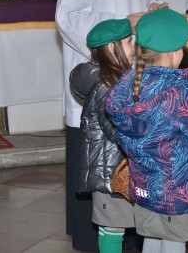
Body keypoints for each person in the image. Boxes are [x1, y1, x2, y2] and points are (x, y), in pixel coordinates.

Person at [56, 0, 167, 251]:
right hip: (100, 76)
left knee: (132, 159)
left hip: (137, 75)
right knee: (97, 160)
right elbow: (67, 17)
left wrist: (155, 12)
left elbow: (158, 1)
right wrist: (120, 24)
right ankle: (91, 240)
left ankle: (132, 235)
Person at [106, 8, 188, 253]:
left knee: (152, 240)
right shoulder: (179, 93)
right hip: (175, 188)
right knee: (173, 243)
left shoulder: (126, 85)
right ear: (173, 53)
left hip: (143, 185)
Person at [70, 19, 136, 253]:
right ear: (112, 48)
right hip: (110, 171)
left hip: (110, 167)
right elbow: (116, 129)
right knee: (113, 228)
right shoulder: (108, 86)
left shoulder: (112, 81)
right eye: (129, 43)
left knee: (114, 226)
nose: (133, 48)